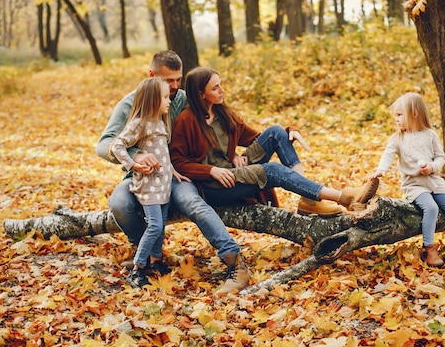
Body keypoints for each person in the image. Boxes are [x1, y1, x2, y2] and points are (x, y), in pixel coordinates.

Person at [97, 51, 250, 294]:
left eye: (178, 79)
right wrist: (136, 156)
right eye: (169, 81)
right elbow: (104, 144)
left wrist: (230, 151)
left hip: (179, 173)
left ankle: (235, 261)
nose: (175, 87)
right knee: (118, 203)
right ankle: (145, 254)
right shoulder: (131, 103)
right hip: (142, 175)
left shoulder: (185, 98)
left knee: (193, 202)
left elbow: (217, 118)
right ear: (151, 76)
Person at [169, 66, 379, 217]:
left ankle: (309, 200)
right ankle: (343, 197)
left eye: (221, 85)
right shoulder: (186, 121)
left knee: (276, 132)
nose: (222, 90)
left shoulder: (224, 114)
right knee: (271, 170)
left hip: (235, 172)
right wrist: (210, 171)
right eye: (215, 88)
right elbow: (178, 162)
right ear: (200, 94)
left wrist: (289, 132)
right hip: (216, 186)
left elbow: (256, 137)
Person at [367, 92, 445, 267]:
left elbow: (441, 157)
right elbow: (387, 155)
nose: (397, 119)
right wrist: (381, 170)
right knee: (431, 208)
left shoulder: (430, 135)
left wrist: (432, 167)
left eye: (400, 115)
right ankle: (429, 249)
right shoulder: (398, 139)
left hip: (434, 181)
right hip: (414, 185)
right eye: (396, 116)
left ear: (414, 114)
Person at [110, 77, 174, 288]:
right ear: (153, 99)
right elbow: (118, 145)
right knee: (154, 226)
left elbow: (163, 155)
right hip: (149, 186)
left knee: (160, 225)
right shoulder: (141, 123)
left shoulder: (160, 123)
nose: (169, 101)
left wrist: (175, 172)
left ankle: (156, 260)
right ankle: (138, 268)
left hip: (163, 186)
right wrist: (133, 164)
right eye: (165, 97)